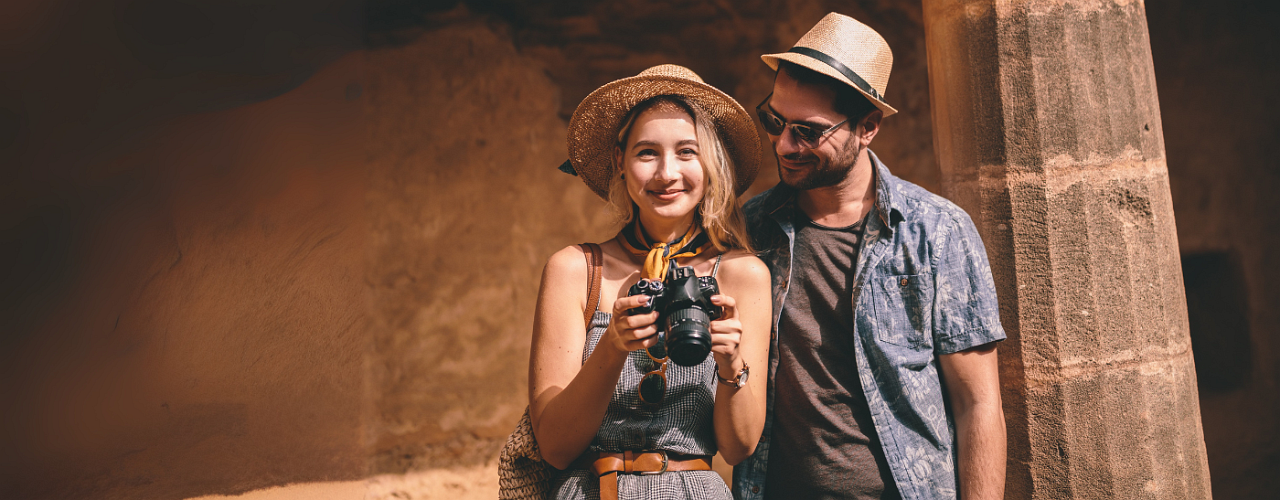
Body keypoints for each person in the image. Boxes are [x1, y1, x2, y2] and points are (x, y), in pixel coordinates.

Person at [734, 13, 1007, 500]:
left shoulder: (936, 231)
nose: (783, 144)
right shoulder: (750, 230)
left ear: (868, 127)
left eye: (808, 131)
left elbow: (978, 404)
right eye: (774, 121)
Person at [528, 64, 771, 500]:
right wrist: (614, 345)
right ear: (619, 161)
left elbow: (739, 447)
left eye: (686, 152)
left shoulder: (742, 275)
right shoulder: (575, 270)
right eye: (646, 153)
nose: (666, 174)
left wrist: (732, 366)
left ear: (711, 162)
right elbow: (556, 447)